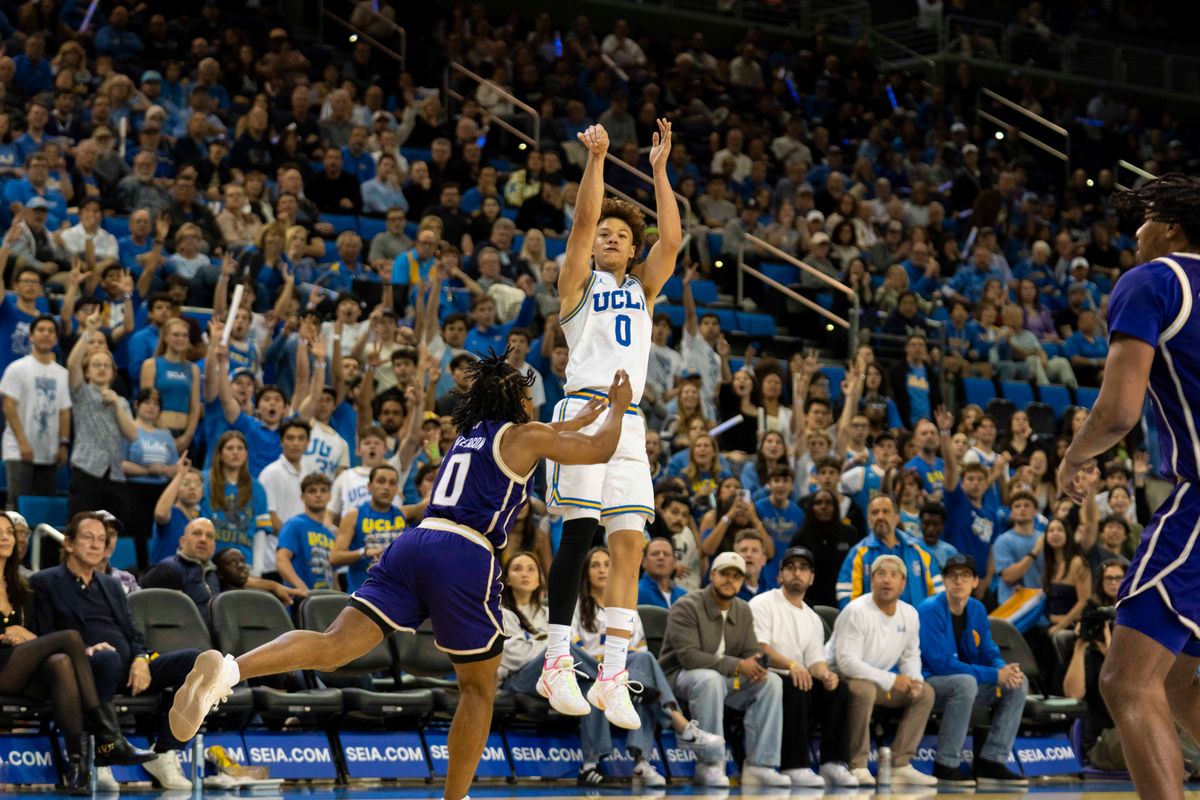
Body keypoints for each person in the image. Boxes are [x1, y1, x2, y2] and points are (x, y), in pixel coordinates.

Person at [169, 358, 633, 800]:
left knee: (333, 646)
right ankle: (456, 797)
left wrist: (570, 423)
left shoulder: (468, 435)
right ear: (516, 403)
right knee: (477, 689)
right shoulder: (523, 435)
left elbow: (540, 437)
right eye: (527, 398)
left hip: (415, 542)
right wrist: (618, 408)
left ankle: (228, 670)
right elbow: (599, 449)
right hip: (465, 553)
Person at [1057, 173, 1200, 800]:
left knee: (1124, 680)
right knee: (1177, 683)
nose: (1136, 233)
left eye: (1143, 221)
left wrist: (1074, 456)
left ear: (1169, 227)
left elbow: (1117, 412)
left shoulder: (1155, 279)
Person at [540, 120, 681, 724]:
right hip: (585, 412)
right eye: (606, 234)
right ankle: (555, 662)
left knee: (630, 545)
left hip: (631, 423)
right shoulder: (577, 284)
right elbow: (579, 224)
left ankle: (614, 673)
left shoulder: (645, 290)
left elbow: (671, 241)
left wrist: (658, 171)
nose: (610, 239)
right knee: (579, 533)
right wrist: (596, 160)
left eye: (622, 235)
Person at [32, 512, 201, 790]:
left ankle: (165, 750)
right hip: (83, 668)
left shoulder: (112, 584)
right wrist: (84, 649)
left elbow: (133, 633)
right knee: (107, 658)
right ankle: (102, 753)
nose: (97, 545)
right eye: (88, 538)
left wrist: (140, 658)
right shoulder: (46, 581)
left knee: (199, 661)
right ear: (69, 544)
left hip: (127, 667)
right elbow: (46, 635)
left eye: (101, 539)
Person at [0, 513, 154, 795]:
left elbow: (35, 637)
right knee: (71, 638)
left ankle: (78, 768)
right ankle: (109, 736)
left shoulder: (20, 586)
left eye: (9, 532)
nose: (5, 537)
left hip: (22, 669)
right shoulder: (44, 582)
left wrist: (25, 636)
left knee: (61, 663)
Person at [571, 546, 723, 785]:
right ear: (585, 572)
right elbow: (575, 652)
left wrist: (619, 668)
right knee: (635, 686)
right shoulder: (575, 606)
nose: (602, 570)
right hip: (587, 675)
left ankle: (642, 764)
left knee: (643, 686)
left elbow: (639, 650)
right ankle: (679, 723)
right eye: (595, 565)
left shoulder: (626, 607)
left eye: (607, 564)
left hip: (622, 676)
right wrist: (611, 663)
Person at [658, 551, 792, 787]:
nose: (730, 580)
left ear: (742, 581)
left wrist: (757, 664)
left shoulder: (742, 609)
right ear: (712, 575)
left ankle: (760, 766)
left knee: (771, 682)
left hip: (725, 680)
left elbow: (750, 650)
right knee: (710, 679)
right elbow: (689, 657)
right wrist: (740, 665)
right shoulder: (686, 605)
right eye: (724, 574)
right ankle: (710, 765)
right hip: (679, 679)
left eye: (736, 576)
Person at [918, 554, 1029, 786]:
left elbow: (989, 652)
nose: (959, 581)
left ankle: (991, 761)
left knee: (1019, 682)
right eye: (953, 576)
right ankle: (946, 764)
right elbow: (941, 664)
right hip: (929, 685)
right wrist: (993, 675)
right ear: (945, 581)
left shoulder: (977, 609)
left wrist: (1003, 669)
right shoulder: (930, 610)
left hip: (964, 685)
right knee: (965, 683)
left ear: (975, 582)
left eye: (966, 576)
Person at [750, 547, 857, 788]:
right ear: (780, 576)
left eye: (803, 568)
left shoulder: (812, 617)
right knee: (795, 684)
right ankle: (794, 764)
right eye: (790, 567)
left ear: (811, 578)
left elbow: (815, 661)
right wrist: (791, 664)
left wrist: (826, 674)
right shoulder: (763, 603)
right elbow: (760, 648)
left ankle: (833, 763)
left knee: (838, 688)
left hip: (798, 676)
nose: (796, 573)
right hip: (768, 678)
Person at [827, 554, 937, 787]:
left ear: (903, 584)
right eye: (881, 574)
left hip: (877, 679)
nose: (887, 580)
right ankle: (857, 765)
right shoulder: (856, 610)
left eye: (894, 575)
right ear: (872, 580)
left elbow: (910, 656)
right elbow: (846, 662)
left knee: (926, 692)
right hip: (838, 679)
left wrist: (914, 679)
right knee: (864, 690)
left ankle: (900, 763)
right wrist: (891, 680)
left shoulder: (910, 614)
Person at [1, 314, 70, 509]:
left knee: (43, 510)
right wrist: (23, 443)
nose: (46, 334)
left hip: (49, 454)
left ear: (56, 339)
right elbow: (8, 406)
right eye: (41, 330)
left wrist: (63, 444)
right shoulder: (17, 368)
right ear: (30, 336)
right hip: (18, 451)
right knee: (16, 506)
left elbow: (65, 411)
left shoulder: (63, 374)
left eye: (51, 331)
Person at [837, 495, 944, 609]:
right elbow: (847, 598)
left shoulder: (920, 550)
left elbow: (938, 594)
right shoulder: (858, 554)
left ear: (897, 517)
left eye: (886, 511)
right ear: (868, 519)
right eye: (875, 512)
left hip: (917, 624)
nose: (880, 516)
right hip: (873, 625)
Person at [333, 463, 426, 593]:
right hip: (363, 593)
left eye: (392, 483)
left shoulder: (404, 513)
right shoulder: (354, 515)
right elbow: (334, 558)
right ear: (369, 487)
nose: (386, 487)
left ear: (397, 489)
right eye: (381, 481)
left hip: (397, 593)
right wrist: (364, 552)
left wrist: (435, 460)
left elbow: (434, 499)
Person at [276, 473, 338, 593]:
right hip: (301, 603)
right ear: (303, 497)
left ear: (330, 496)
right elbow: (281, 560)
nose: (318, 495)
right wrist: (303, 589)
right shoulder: (294, 525)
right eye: (312, 491)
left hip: (326, 602)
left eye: (323, 490)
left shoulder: (331, 535)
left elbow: (333, 576)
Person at [636, 536, 687, 608]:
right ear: (644, 562)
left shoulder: (684, 596)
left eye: (666, 554)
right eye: (655, 554)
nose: (661, 557)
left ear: (675, 562)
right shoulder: (635, 593)